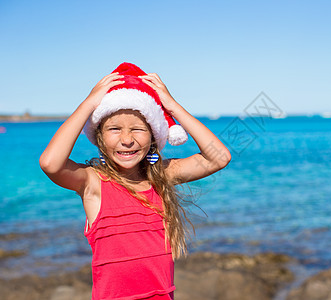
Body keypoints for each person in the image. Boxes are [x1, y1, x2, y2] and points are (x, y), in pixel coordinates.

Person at [39, 62, 231, 299]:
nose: (126, 139)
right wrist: (89, 104)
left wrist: (172, 107)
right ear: (99, 137)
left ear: (153, 136)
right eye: (114, 129)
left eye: (138, 129)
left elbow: (219, 157)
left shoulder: (162, 175)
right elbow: (50, 163)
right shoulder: (93, 183)